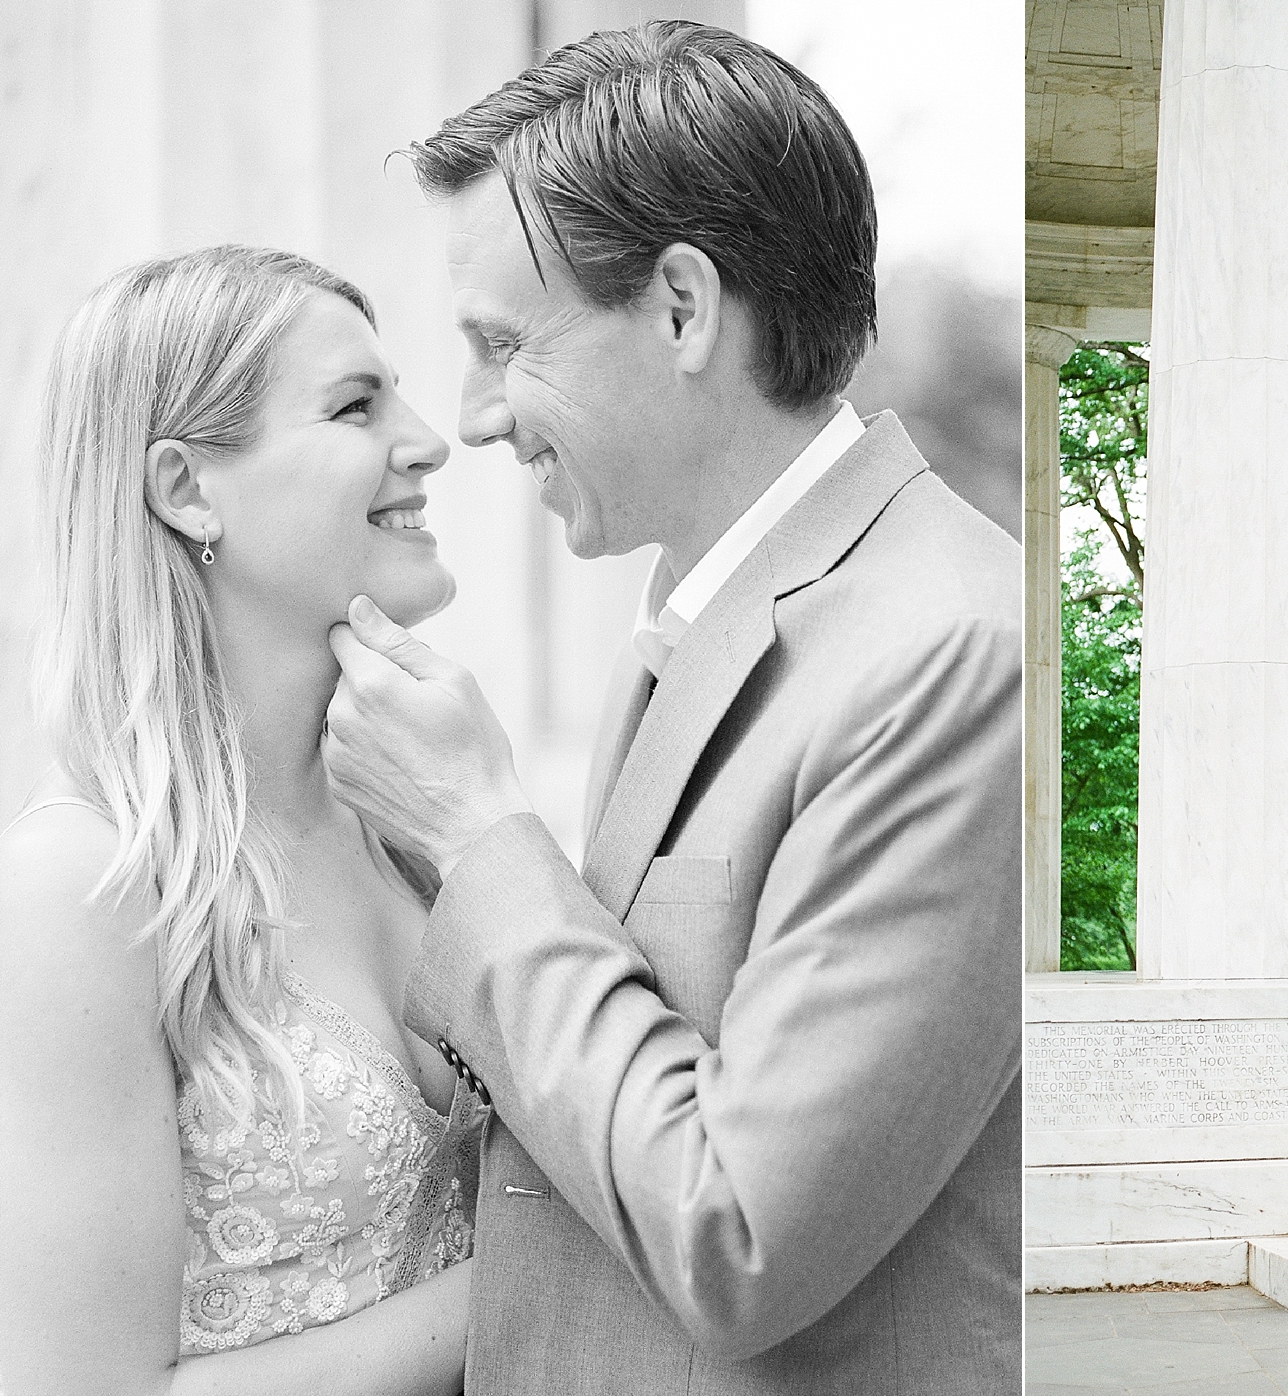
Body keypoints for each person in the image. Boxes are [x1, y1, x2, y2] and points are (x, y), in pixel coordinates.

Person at [318, 21, 1021, 1396]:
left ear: (685, 308)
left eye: (502, 344)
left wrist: (480, 845)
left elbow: (739, 1233)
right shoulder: (702, 620)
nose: (467, 418)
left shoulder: (950, 651)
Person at [0, 247, 476, 1394]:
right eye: (356, 405)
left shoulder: (412, 830)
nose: (428, 439)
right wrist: (539, 1277)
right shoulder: (83, 889)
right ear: (186, 488)